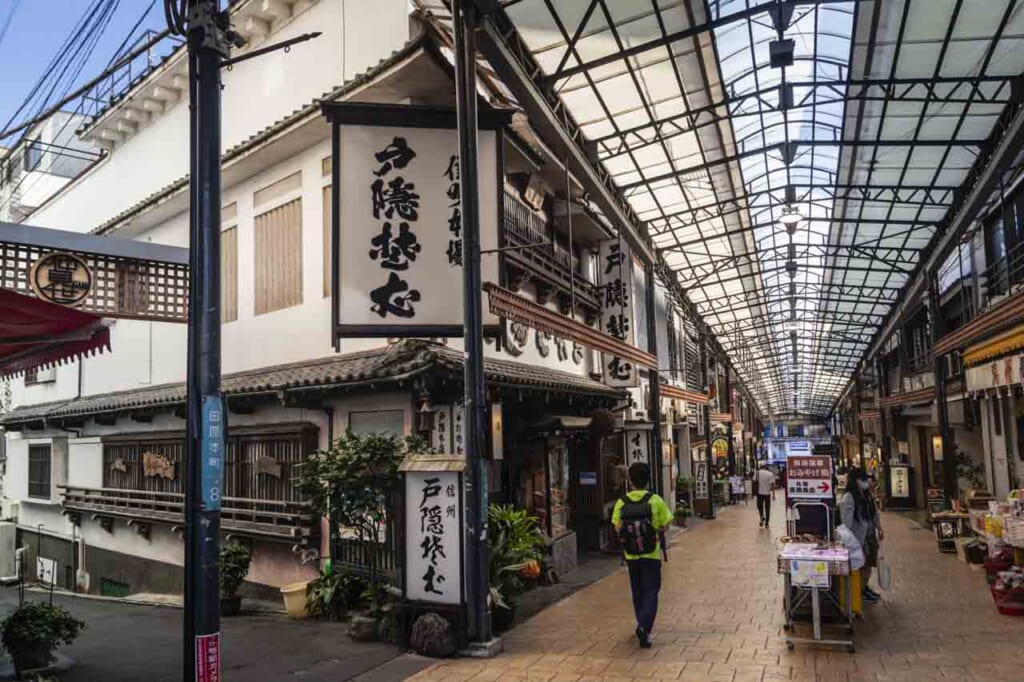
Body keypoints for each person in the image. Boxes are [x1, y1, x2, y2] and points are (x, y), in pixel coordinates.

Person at [612, 462, 671, 648]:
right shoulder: (656, 500)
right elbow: (666, 524)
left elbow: (617, 526)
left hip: (631, 556)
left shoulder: (622, 502)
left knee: (637, 591)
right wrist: (653, 531)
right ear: (648, 479)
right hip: (651, 554)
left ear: (630, 480)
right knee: (651, 590)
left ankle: (641, 622)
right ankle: (644, 626)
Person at [839, 467, 883, 603]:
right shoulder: (849, 498)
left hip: (869, 535)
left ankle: (864, 588)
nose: (866, 482)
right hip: (857, 539)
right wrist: (849, 542)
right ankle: (860, 591)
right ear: (855, 480)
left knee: (868, 565)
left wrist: (879, 528)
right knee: (861, 566)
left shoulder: (867, 495)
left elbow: (874, 513)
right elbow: (846, 522)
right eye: (863, 479)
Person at [756, 461, 775, 528]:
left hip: (759, 493)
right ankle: (767, 523)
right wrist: (773, 494)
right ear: (766, 466)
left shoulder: (757, 473)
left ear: (760, 466)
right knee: (767, 508)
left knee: (759, 506)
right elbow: (772, 484)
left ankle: (762, 517)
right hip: (767, 493)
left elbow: (754, 481)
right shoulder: (770, 474)